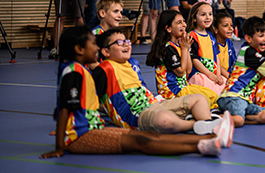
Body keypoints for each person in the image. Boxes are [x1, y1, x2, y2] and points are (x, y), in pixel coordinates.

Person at [42, 26, 227, 159]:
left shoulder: (79, 70)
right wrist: (59, 146)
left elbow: (72, 105)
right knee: (141, 142)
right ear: (79, 49)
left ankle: (207, 140)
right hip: (79, 137)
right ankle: (200, 146)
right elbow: (66, 108)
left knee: (148, 137)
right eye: (92, 44)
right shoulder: (73, 72)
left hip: (91, 130)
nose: (96, 48)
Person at [94, 28, 229, 137]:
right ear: (105, 51)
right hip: (137, 116)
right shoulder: (104, 69)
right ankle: (196, 124)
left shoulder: (133, 63)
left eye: (126, 41)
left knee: (199, 99)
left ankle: (207, 124)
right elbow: (94, 98)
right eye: (119, 43)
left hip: (156, 103)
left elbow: (143, 89)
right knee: (163, 119)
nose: (125, 45)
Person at [216, 16, 265, 128]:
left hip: (245, 100)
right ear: (248, 38)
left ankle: (229, 116)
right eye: (261, 36)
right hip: (233, 96)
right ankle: (211, 118)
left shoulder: (255, 51)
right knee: (238, 121)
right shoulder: (248, 52)